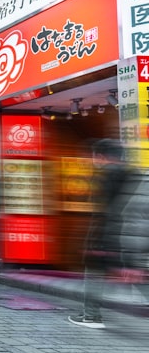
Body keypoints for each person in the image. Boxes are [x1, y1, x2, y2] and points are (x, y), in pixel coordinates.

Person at [70, 139, 136, 328]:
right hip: (134, 238)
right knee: (138, 276)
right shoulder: (134, 174)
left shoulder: (103, 177)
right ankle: (91, 315)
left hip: (109, 236)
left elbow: (104, 213)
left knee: (94, 274)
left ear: (99, 156)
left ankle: (91, 316)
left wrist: (94, 242)